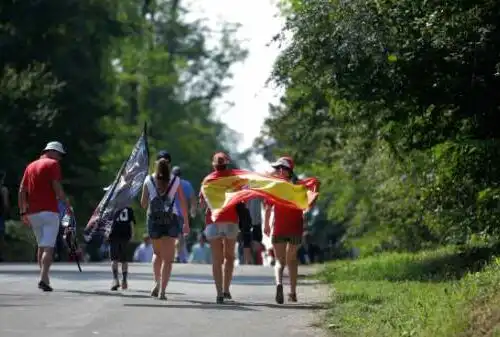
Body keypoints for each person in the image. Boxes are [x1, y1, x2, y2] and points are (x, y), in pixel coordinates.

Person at [18, 141, 72, 291]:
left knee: (41, 245)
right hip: (49, 211)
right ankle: (43, 278)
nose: (59, 158)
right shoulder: (52, 165)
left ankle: (44, 277)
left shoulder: (30, 166)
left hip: (33, 213)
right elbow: (57, 187)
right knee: (48, 247)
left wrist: (23, 211)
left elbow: (22, 190)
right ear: (51, 152)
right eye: (59, 155)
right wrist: (67, 205)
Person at [140, 150, 190, 300]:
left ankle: (156, 282)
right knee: (168, 259)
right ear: (170, 164)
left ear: (156, 163)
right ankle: (162, 290)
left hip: (153, 220)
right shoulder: (176, 181)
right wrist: (186, 222)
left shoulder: (148, 180)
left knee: (157, 254)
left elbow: (143, 204)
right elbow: (182, 202)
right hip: (171, 221)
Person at [263, 156, 306, 304]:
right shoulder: (299, 186)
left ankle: (279, 284)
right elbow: (306, 204)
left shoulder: (275, 186)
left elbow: (268, 208)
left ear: (285, 170)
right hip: (295, 228)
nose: (278, 170)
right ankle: (293, 293)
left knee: (279, 262)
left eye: (280, 168)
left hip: (279, 228)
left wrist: (266, 225)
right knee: (292, 260)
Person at [200, 152, 239, 304]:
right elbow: (242, 198)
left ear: (213, 165)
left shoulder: (207, 180)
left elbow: (202, 204)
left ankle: (219, 294)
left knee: (217, 259)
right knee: (229, 256)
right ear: (226, 164)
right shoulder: (234, 180)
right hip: (230, 220)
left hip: (213, 221)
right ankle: (226, 289)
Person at [105, 184, 136, 290]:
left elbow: (107, 223)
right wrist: (132, 234)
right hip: (125, 235)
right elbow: (131, 223)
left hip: (113, 235)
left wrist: (105, 233)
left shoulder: (111, 208)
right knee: (124, 260)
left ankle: (115, 279)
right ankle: (124, 280)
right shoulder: (128, 209)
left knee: (114, 259)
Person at [172, 166, 196, 263]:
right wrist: (193, 211)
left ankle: (175, 254)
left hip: (170, 214)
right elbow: (193, 200)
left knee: (172, 236)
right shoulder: (187, 184)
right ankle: (177, 254)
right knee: (180, 236)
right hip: (182, 214)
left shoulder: (168, 185)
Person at [0, 170, 9, 262]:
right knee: (1, 235)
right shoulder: (3, 189)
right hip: (0, 215)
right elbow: (6, 204)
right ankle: (1, 255)